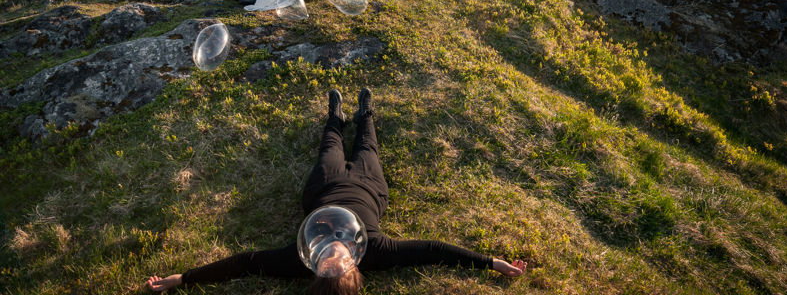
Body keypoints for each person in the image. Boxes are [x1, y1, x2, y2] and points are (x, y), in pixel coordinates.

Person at [146, 88, 527, 294]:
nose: (331, 254)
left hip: (324, 187)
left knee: (330, 145)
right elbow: (433, 250)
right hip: (368, 187)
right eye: (338, 263)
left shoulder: (298, 260)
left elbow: (243, 262)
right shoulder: (377, 252)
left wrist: (184, 278)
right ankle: (366, 112)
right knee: (367, 146)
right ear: (354, 266)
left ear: (314, 270)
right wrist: (491, 262)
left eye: (324, 263)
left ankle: (335, 116)